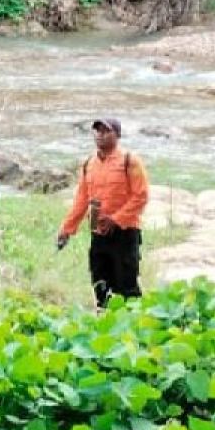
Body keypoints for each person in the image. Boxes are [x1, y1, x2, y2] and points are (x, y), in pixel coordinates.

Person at [57, 117, 149, 309]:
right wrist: (66, 229)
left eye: (106, 131)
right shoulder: (89, 163)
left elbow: (141, 196)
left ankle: (135, 330)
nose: (100, 135)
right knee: (100, 284)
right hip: (98, 233)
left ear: (118, 135)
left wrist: (115, 220)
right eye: (97, 131)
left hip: (125, 234)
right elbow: (82, 200)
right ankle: (103, 326)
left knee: (126, 286)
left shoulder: (129, 161)